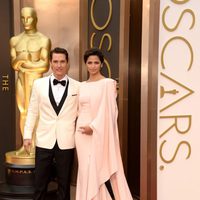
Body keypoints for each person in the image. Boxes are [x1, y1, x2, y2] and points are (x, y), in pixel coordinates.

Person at [75, 47, 133, 200]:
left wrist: (93, 127)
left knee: (96, 167)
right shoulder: (81, 85)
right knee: (85, 170)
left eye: (96, 62)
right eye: (89, 62)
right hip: (81, 134)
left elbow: (109, 111)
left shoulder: (108, 83)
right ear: (85, 64)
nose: (93, 66)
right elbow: (77, 109)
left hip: (98, 132)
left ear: (101, 64)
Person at [23, 47, 80, 200]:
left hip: (67, 141)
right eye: (55, 61)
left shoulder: (78, 86)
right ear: (50, 63)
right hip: (43, 140)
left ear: (67, 63)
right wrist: (27, 135)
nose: (59, 65)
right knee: (39, 184)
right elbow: (32, 111)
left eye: (62, 61)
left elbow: (83, 113)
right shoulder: (38, 84)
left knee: (64, 184)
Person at [10, 7, 51, 155]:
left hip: (36, 81)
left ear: (36, 19)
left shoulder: (43, 40)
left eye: (29, 18)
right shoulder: (15, 40)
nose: (26, 21)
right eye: (23, 18)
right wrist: (21, 59)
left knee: (37, 113)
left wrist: (24, 63)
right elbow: (14, 64)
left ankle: (36, 145)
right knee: (23, 112)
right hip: (21, 80)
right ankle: (25, 145)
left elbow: (45, 65)